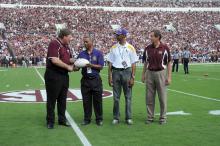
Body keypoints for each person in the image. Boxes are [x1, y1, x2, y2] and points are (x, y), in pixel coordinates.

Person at [107, 28, 138, 125]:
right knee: (116, 97)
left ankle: (128, 117)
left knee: (128, 96)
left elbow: (133, 64)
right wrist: (109, 76)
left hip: (127, 72)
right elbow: (110, 63)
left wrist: (133, 77)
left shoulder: (131, 48)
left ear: (124, 36)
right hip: (116, 71)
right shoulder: (113, 48)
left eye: (118, 34)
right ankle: (116, 117)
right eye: (116, 34)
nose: (116, 36)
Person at [44, 29, 74, 129]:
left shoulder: (66, 46)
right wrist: (68, 67)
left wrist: (78, 63)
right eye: (70, 36)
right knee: (52, 99)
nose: (71, 38)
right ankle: (50, 121)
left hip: (64, 75)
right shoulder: (54, 43)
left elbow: (68, 60)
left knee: (62, 99)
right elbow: (54, 60)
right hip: (54, 74)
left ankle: (62, 119)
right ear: (64, 36)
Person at [141, 30, 172, 125]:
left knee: (162, 97)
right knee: (149, 97)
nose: (150, 37)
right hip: (149, 73)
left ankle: (163, 117)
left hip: (160, 73)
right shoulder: (147, 48)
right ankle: (150, 117)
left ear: (157, 37)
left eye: (152, 36)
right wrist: (143, 74)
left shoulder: (165, 48)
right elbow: (146, 62)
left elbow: (169, 62)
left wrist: (169, 77)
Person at [76, 35, 104, 126]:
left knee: (98, 101)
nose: (85, 43)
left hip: (96, 80)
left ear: (92, 42)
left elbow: (101, 66)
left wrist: (90, 65)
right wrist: (74, 65)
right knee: (86, 101)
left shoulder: (98, 53)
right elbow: (77, 67)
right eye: (84, 42)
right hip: (85, 80)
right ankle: (87, 119)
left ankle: (99, 119)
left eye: (86, 41)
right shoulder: (81, 54)